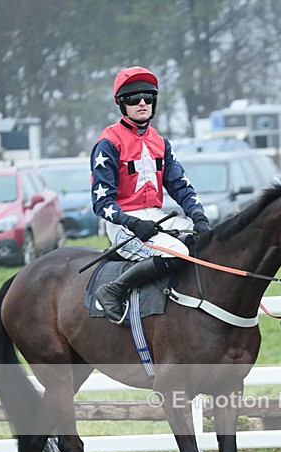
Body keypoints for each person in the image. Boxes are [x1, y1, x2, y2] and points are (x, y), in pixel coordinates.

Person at [90, 66, 210, 323]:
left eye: (148, 96)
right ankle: (113, 290)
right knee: (175, 253)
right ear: (121, 104)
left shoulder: (161, 142)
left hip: (156, 218)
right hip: (123, 223)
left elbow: (180, 185)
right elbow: (101, 202)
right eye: (134, 98)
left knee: (208, 243)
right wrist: (131, 222)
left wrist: (198, 215)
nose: (142, 102)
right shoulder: (108, 143)